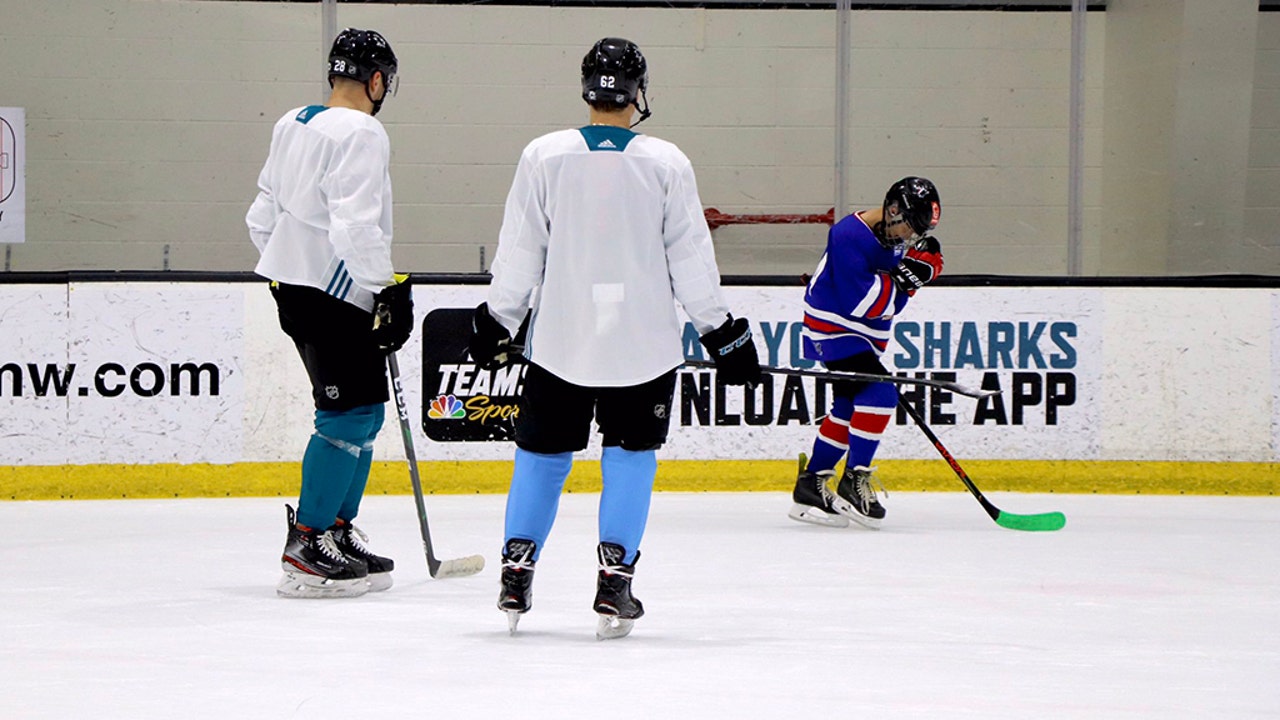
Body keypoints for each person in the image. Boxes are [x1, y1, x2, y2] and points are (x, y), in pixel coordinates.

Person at [468, 37, 761, 639]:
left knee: (542, 457)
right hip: (642, 349)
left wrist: (499, 317)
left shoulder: (544, 155)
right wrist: (721, 332)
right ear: (638, 92)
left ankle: (516, 573)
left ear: (586, 88)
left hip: (561, 344)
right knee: (630, 456)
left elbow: (520, 249)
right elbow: (690, 259)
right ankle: (614, 584)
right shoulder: (666, 162)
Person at [246, 28, 413, 599]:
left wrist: (287, 267)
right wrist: (384, 288)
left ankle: (336, 532)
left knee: (364, 413)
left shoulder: (292, 121)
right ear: (376, 80)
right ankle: (307, 544)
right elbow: (355, 224)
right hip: (336, 291)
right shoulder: (363, 131)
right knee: (344, 416)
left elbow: (261, 213)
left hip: (301, 286)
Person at [788, 177, 943, 530]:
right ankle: (853, 482)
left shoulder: (893, 234)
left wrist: (914, 276)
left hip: (862, 335)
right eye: (909, 225)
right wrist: (909, 283)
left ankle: (811, 485)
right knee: (881, 394)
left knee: (848, 406)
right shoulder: (849, 235)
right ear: (893, 210)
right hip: (833, 329)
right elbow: (864, 304)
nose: (910, 236)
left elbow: (887, 304)